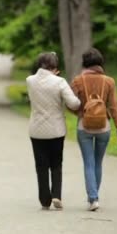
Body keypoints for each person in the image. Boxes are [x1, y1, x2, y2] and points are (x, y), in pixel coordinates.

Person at [70, 48, 117, 211]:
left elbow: (70, 103)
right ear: (100, 63)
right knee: (98, 162)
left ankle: (93, 199)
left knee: (88, 163)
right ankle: (94, 197)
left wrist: (80, 113)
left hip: (83, 126)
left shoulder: (77, 81)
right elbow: (114, 108)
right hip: (104, 127)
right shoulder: (109, 81)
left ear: (84, 63)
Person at [26, 52, 80, 210]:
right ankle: (56, 194)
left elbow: (40, 81)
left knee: (41, 165)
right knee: (56, 163)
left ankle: (44, 199)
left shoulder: (30, 80)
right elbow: (74, 103)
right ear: (55, 67)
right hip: (56, 129)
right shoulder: (60, 82)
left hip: (36, 130)